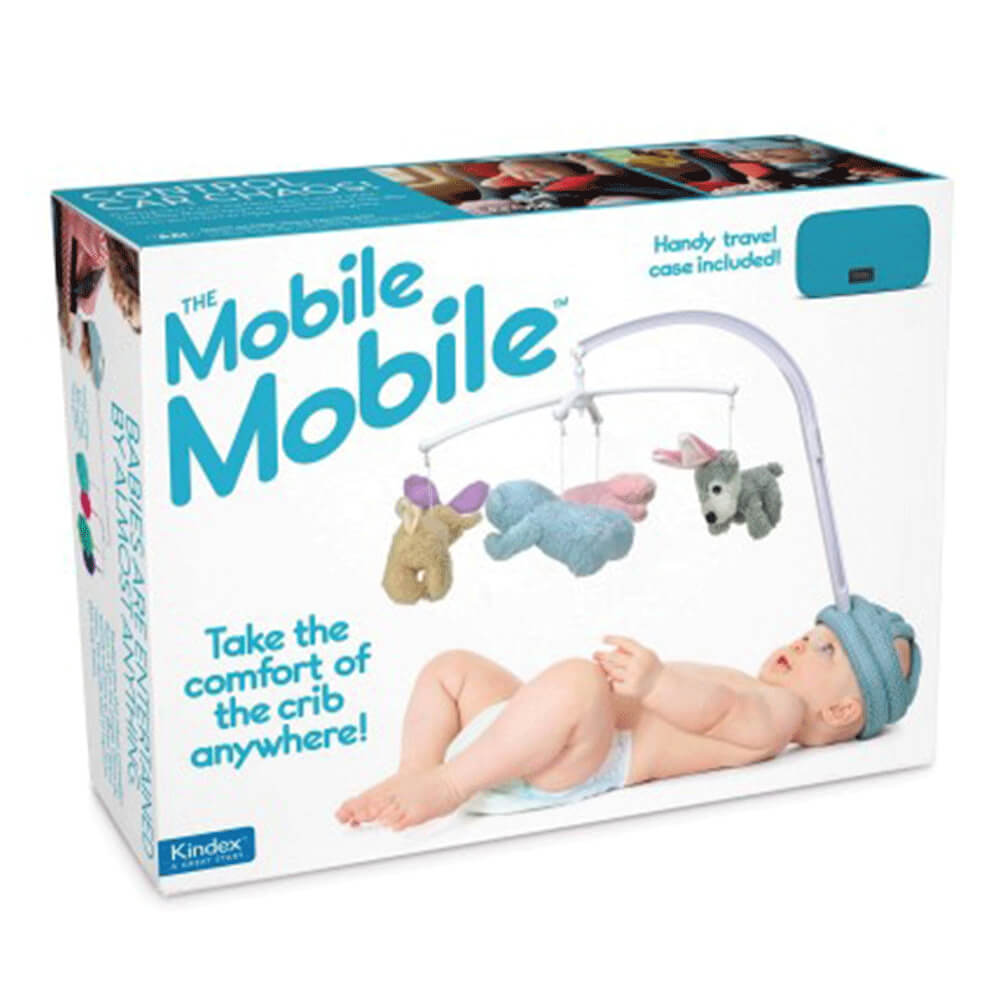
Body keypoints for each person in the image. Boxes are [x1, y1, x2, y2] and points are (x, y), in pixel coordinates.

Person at [336, 596, 919, 831]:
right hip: (532, 737)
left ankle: (447, 782)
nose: (800, 643)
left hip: (589, 757)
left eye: (825, 650)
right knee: (453, 668)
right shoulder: (764, 688)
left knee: (578, 681)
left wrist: (658, 683)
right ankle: (415, 769)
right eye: (807, 633)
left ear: (841, 709)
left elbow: (721, 711)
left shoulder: (779, 715)